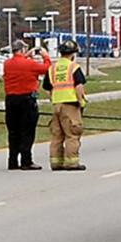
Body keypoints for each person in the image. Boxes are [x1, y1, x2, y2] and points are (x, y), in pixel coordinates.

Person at [1, 39, 49, 170]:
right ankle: (26, 160)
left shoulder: (7, 64)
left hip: (10, 100)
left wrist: (27, 55)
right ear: (22, 50)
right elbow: (46, 68)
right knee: (27, 131)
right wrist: (45, 56)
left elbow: (19, 62)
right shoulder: (30, 64)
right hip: (26, 100)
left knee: (13, 131)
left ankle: (12, 160)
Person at [43, 39, 88, 171]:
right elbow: (79, 86)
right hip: (71, 105)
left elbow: (46, 88)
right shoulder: (74, 67)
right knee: (72, 134)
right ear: (73, 54)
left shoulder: (52, 68)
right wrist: (81, 101)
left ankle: (56, 163)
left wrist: (54, 98)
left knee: (57, 135)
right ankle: (71, 163)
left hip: (57, 105)